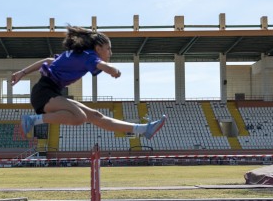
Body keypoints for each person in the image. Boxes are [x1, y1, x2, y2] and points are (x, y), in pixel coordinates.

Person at [11, 26, 166, 139]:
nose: (110, 53)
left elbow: (48, 61)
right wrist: (114, 70)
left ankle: (143, 129)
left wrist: (22, 73)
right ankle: (33, 119)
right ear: (98, 48)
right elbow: (104, 66)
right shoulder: (89, 56)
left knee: (95, 115)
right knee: (79, 118)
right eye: (108, 49)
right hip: (44, 93)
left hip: (48, 91)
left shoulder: (79, 54)